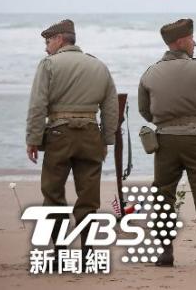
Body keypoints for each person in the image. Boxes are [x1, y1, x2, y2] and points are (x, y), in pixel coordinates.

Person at [138, 18, 196, 267]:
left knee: (163, 194)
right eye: (191, 39)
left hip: (165, 140)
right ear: (181, 41)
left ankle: (165, 251)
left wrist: (165, 120)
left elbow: (145, 111)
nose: (195, 43)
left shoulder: (150, 72)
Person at [26, 19, 118, 260]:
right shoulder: (98, 66)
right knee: (89, 196)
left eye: (48, 41)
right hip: (90, 134)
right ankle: (88, 250)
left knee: (53, 194)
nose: (46, 48)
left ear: (59, 40)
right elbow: (110, 107)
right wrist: (106, 140)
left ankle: (59, 250)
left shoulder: (48, 65)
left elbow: (38, 105)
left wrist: (33, 138)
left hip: (59, 134)